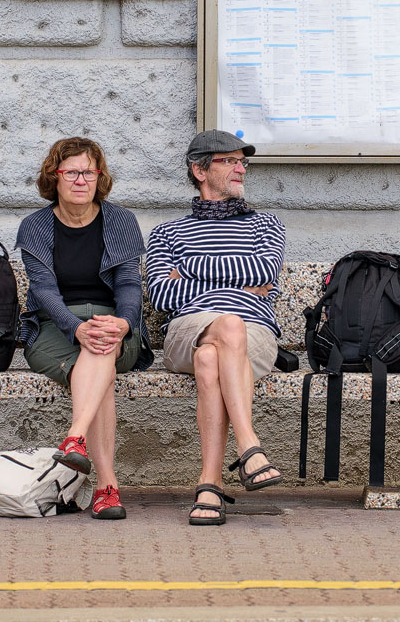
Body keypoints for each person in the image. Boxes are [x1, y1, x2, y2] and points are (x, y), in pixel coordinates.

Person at [145, 130, 287, 526]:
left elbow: (263, 271)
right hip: (185, 332)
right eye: (229, 160)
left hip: (254, 336)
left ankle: (209, 484)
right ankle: (250, 447)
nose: (241, 167)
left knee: (213, 355)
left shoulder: (266, 225)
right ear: (199, 170)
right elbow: (162, 295)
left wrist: (188, 270)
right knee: (227, 324)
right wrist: (235, 283)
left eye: (243, 161)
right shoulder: (167, 232)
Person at [15, 137, 149, 521]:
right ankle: (107, 487)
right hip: (55, 329)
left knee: (100, 348)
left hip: (113, 326)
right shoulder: (36, 226)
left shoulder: (120, 220)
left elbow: (128, 284)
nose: (80, 180)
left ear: (99, 177)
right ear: (53, 177)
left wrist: (123, 323)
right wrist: (76, 328)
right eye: (70, 171)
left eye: (88, 172)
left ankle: (76, 439)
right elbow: (43, 291)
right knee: (98, 364)